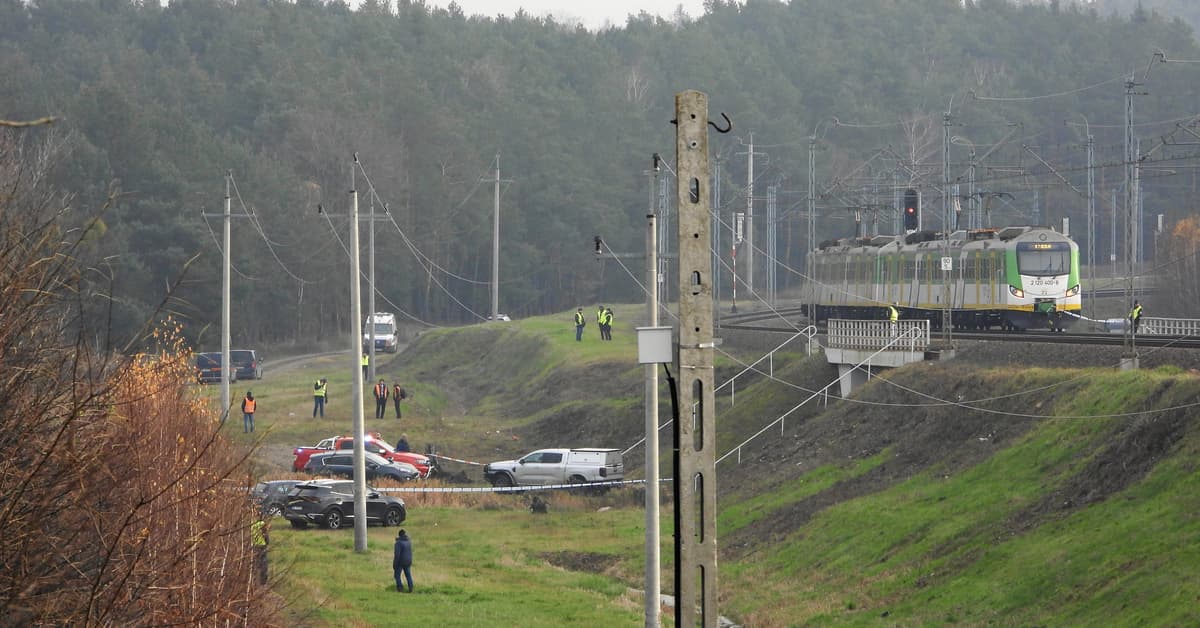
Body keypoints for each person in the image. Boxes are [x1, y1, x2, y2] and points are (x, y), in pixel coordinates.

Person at [251, 516, 269, 585]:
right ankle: (263, 582)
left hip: (254, 546)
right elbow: (266, 536)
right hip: (262, 546)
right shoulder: (262, 524)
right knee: (263, 564)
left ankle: (254, 580)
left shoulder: (252, 526)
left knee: (254, 563)